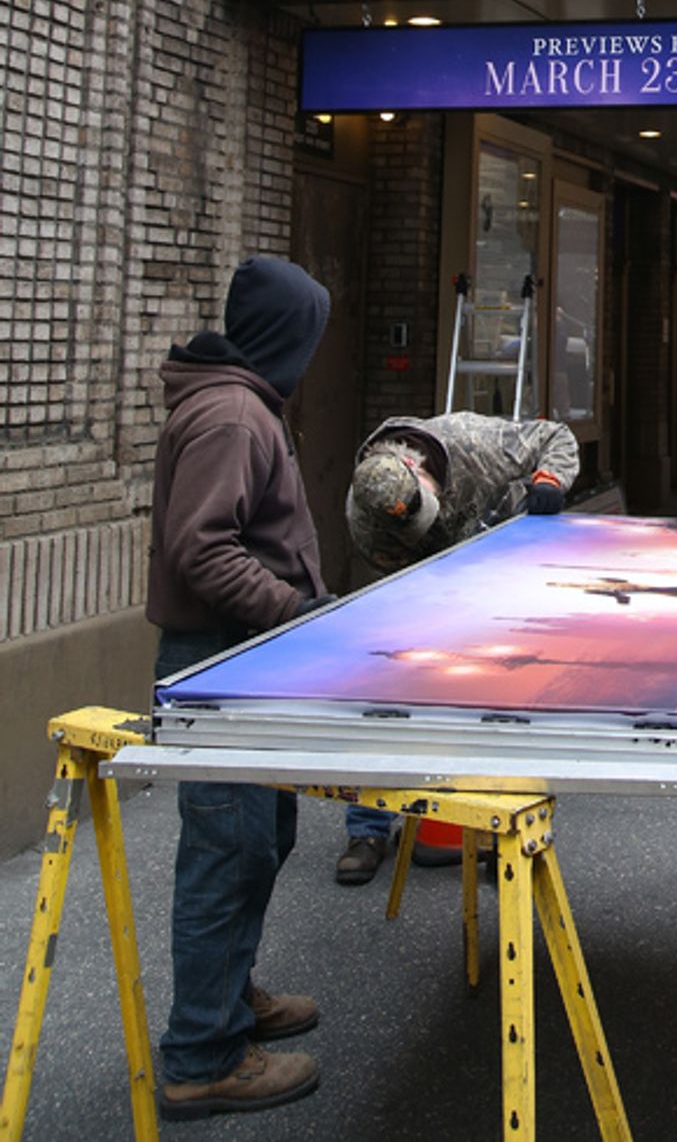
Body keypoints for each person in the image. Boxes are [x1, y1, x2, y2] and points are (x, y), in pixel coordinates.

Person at [147, 255, 332, 1121]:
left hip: (246, 660)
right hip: (223, 662)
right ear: (283, 336)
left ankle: (231, 997)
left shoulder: (243, 403)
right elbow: (203, 549)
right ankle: (202, 1054)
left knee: (262, 836)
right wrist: (292, 610)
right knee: (226, 850)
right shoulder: (231, 415)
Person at [335, 408, 580, 883]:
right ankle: (368, 828)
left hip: (496, 567)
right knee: (389, 692)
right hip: (423, 583)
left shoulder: (474, 444)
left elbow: (558, 436)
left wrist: (549, 482)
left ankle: (497, 825)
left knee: (501, 694)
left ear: (421, 473)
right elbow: (398, 576)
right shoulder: (365, 515)